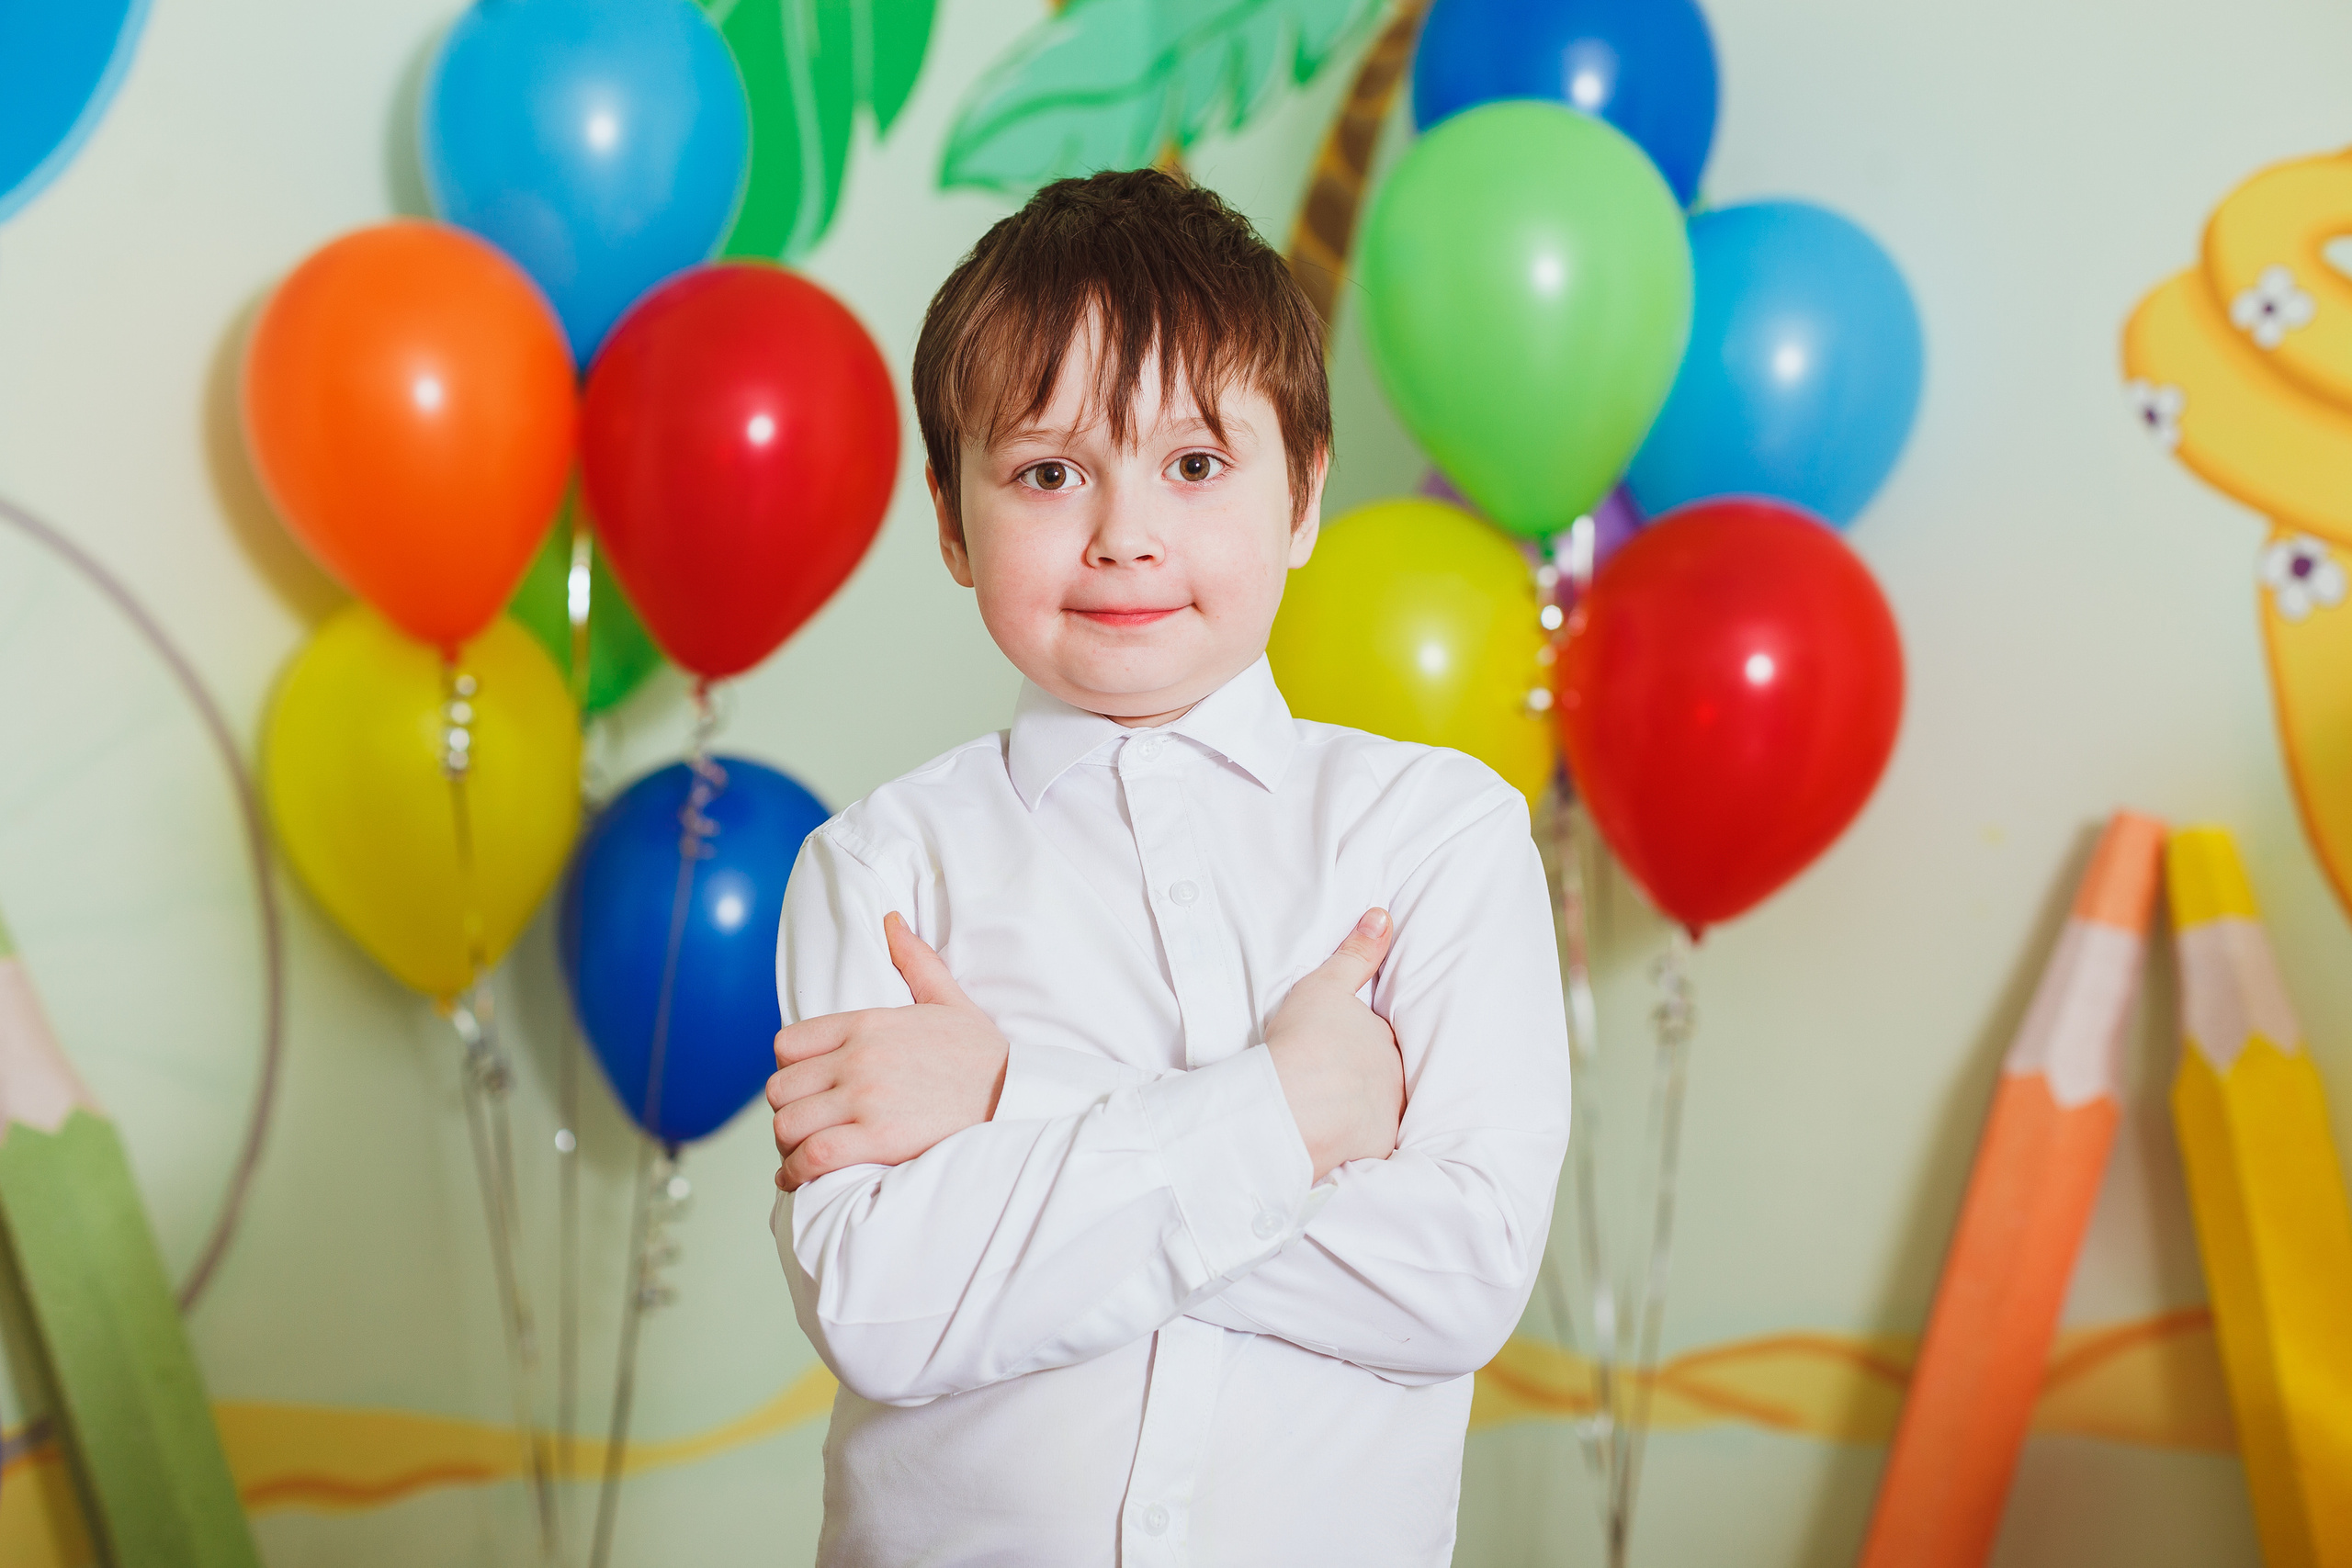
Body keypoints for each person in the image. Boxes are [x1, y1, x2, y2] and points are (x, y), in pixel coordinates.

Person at [764, 167, 1571, 1567]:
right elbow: (886, 1310)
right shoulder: (879, 869)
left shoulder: (1441, 835)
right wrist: (1295, 1116)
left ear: (1306, 496)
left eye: (1195, 465)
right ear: (953, 525)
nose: (1123, 532)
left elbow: (1453, 1283)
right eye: (1047, 471)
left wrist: (1011, 1098)